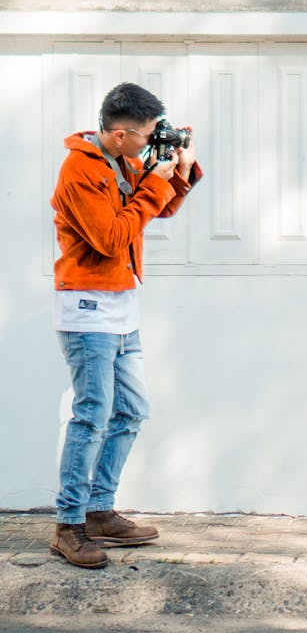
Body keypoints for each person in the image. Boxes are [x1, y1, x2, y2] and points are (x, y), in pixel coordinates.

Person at [49, 83, 201, 569]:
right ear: (118, 135)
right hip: (88, 308)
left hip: (121, 305)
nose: (148, 144)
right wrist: (155, 181)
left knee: (130, 410)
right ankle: (68, 525)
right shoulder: (78, 172)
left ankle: (98, 509)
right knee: (92, 414)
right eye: (145, 137)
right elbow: (114, 238)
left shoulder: (121, 161)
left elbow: (158, 207)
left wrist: (177, 172)